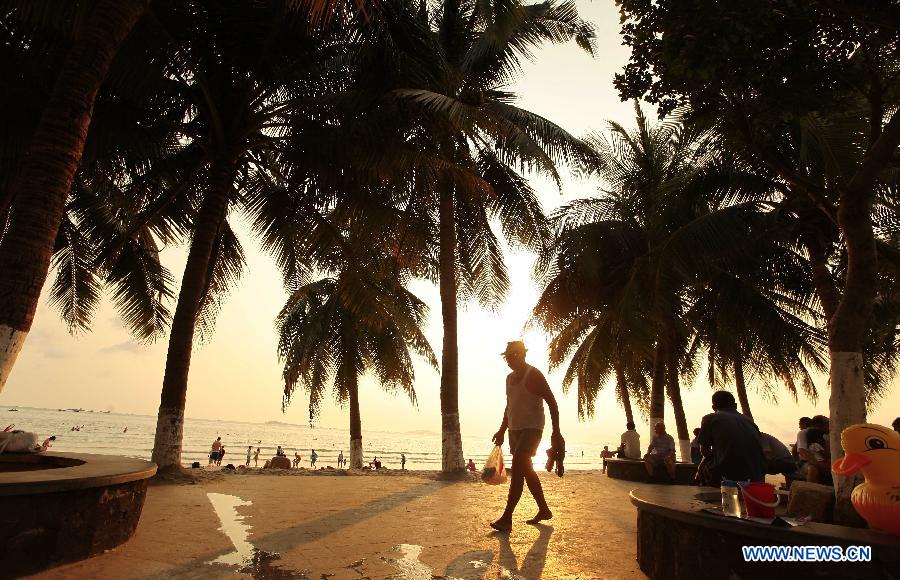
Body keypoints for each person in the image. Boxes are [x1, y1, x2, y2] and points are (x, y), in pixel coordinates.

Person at [490, 340, 563, 532]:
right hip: (515, 430)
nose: (509, 361)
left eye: (513, 356)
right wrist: (501, 430)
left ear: (522, 355)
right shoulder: (509, 379)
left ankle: (507, 518)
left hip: (532, 428)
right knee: (527, 470)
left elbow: (552, 403)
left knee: (517, 469)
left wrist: (556, 432)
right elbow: (509, 406)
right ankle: (544, 509)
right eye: (507, 357)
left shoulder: (534, 375)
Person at [695, 391, 767, 486]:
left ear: (713, 408)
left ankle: (708, 493)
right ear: (735, 405)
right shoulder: (749, 421)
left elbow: (705, 452)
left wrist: (700, 470)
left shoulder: (710, 418)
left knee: (704, 470)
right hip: (756, 475)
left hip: (728, 475)